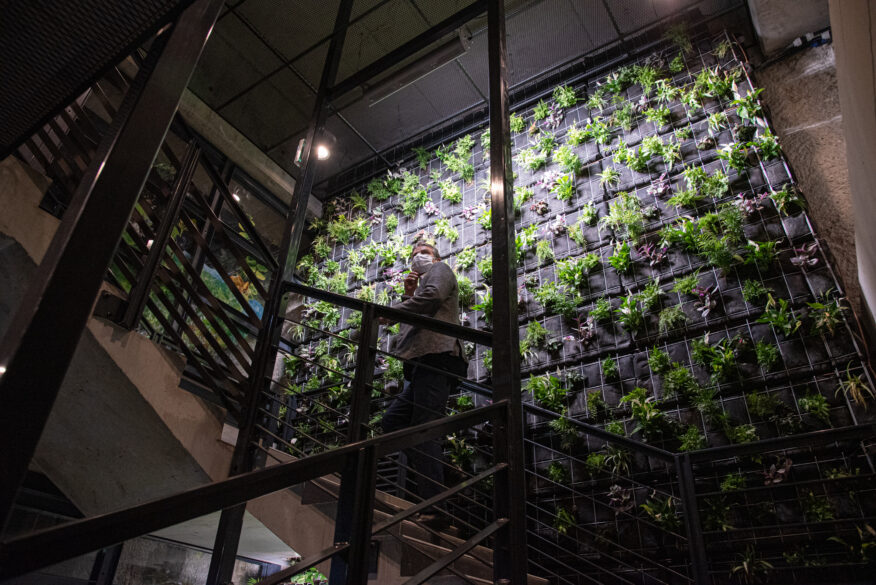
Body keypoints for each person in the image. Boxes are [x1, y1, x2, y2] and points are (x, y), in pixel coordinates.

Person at [380, 241, 467, 524]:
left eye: (424, 252)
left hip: (437, 358)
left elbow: (431, 298)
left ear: (436, 257)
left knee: (423, 429)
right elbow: (415, 320)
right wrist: (407, 295)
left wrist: (390, 312)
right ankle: (436, 470)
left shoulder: (440, 270)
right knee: (393, 424)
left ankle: (437, 509)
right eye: (414, 253)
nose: (418, 256)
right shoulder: (418, 291)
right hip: (421, 363)